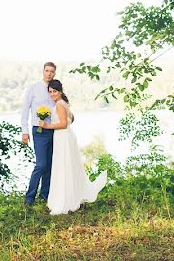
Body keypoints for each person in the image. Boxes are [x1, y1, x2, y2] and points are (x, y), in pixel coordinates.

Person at [38, 79, 108, 215]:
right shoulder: (64, 103)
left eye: (54, 91)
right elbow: (71, 119)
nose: (52, 94)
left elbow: (64, 123)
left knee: (63, 166)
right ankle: (71, 195)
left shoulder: (59, 104)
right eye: (50, 92)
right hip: (65, 137)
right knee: (67, 166)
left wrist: (47, 126)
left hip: (63, 137)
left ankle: (65, 200)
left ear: (60, 91)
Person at [20, 62, 57, 204]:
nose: (49, 73)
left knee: (49, 165)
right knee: (41, 164)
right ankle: (29, 199)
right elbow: (25, 110)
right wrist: (25, 131)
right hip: (39, 131)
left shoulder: (55, 89)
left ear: (55, 73)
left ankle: (44, 196)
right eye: (47, 70)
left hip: (54, 130)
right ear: (43, 71)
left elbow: (62, 106)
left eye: (52, 71)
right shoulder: (34, 88)